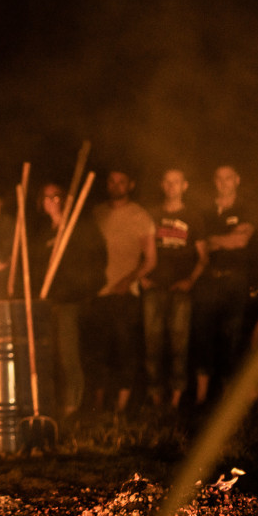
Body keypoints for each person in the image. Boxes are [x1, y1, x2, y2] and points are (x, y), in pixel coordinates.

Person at [33, 182, 107, 418]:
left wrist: (84, 289)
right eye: (46, 197)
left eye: (56, 196)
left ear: (64, 199)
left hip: (71, 300)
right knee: (50, 354)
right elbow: (36, 266)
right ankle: (53, 403)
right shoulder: (44, 232)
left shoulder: (78, 226)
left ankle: (73, 404)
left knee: (69, 354)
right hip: (48, 301)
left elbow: (97, 258)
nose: (51, 201)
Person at [88, 169, 156, 414]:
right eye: (112, 181)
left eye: (122, 182)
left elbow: (150, 260)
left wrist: (128, 281)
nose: (116, 186)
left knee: (124, 351)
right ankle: (97, 405)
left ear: (131, 184)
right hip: (98, 293)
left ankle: (121, 406)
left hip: (126, 294)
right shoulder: (97, 213)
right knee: (98, 351)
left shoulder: (139, 215)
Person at [140, 169, 207, 410]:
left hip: (180, 290)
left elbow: (203, 256)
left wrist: (191, 280)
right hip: (154, 287)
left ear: (184, 185)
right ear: (162, 184)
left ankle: (176, 400)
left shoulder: (193, 216)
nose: (171, 186)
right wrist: (143, 277)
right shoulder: (152, 215)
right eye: (167, 182)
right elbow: (141, 250)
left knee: (179, 345)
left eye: (176, 182)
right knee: (152, 345)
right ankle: (156, 397)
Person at [191, 165, 258, 405]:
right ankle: (201, 398)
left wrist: (215, 239)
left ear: (237, 180)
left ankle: (229, 397)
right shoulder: (205, 210)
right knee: (203, 335)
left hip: (236, 279)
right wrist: (223, 239)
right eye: (218, 178)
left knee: (234, 338)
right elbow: (200, 244)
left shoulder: (246, 207)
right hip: (208, 279)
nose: (223, 182)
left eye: (228, 177)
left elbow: (241, 240)